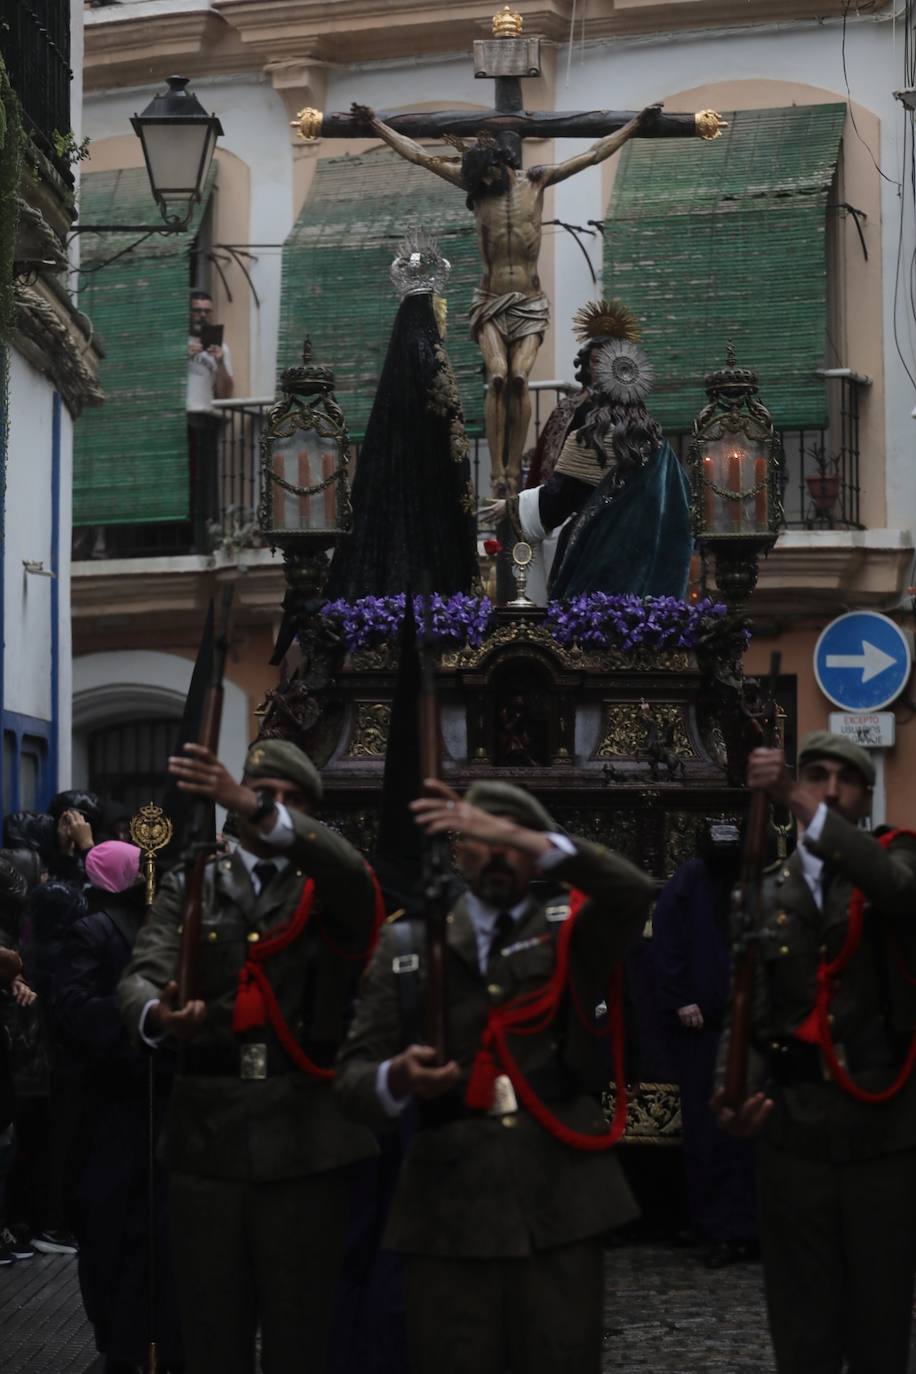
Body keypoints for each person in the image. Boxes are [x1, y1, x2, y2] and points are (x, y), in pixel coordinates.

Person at [335, 777, 656, 1374]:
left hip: (562, 1198)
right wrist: (397, 1078)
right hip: (446, 1207)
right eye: (482, 840)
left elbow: (634, 893)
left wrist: (536, 837)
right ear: (460, 851)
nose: (499, 856)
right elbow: (352, 1081)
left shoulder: (571, 934)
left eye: (512, 843)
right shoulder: (409, 945)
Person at [118, 738, 382, 1374]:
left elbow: (356, 882)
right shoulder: (194, 882)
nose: (270, 809)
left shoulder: (327, 884)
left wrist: (262, 809)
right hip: (207, 1139)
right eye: (263, 796)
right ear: (233, 810)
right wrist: (158, 1013)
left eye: (290, 803)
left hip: (306, 1139)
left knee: (302, 1336)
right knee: (212, 1334)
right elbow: (140, 975)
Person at [350, 105, 691, 495]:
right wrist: (376, 125)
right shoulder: (476, 189)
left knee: (518, 379)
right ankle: (499, 472)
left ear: (502, 163)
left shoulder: (537, 181)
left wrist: (633, 126)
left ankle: (514, 465)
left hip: (530, 301)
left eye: (489, 173)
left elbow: (594, 154)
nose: (483, 181)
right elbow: (418, 155)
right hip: (490, 299)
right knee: (497, 377)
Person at [713, 731, 916, 1374]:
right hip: (795, 1130)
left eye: (845, 779)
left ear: (865, 796)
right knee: (802, 1322)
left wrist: (797, 798)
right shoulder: (763, 891)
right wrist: (733, 1091)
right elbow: (743, 1009)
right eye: (816, 774)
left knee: (881, 1321)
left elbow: (896, 892)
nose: (829, 788)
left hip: (882, 1132)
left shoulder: (899, 859)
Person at [54, 841, 183, 1374]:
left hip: (170, 1111)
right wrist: (145, 1017)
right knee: (113, 1238)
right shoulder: (95, 931)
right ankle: (125, 1344)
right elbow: (73, 1012)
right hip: (112, 1112)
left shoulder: (178, 935)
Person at [483, 300, 693, 600]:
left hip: (598, 564)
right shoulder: (656, 444)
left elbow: (558, 497)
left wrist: (513, 507)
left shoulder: (593, 437)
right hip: (650, 574)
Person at [325, 226, 478, 601]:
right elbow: (449, 426)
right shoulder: (429, 351)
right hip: (428, 487)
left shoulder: (401, 357)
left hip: (396, 478)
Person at [651, 822, 757, 1266]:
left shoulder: (753, 884)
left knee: (748, 1131)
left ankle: (747, 1228)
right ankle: (713, 1228)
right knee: (707, 1131)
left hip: (747, 1028)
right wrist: (680, 998)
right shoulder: (689, 882)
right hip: (702, 1028)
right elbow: (667, 939)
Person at [187, 288, 234, 553]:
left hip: (204, 417)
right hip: (178, 418)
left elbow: (226, 391)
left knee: (202, 483)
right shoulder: (174, 341)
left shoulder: (220, 347)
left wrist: (222, 361)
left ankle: (201, 540)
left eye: (207, 310)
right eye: (197, 310)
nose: (202, 315)